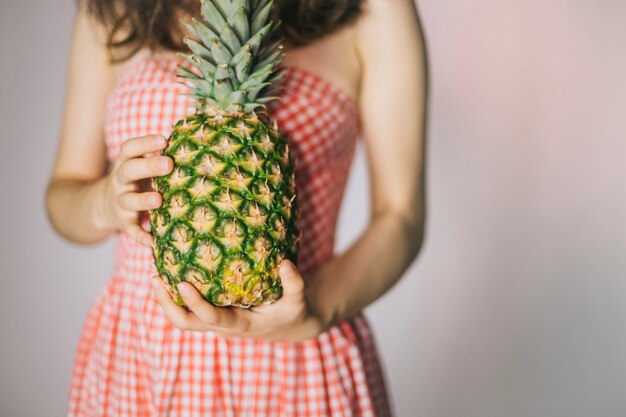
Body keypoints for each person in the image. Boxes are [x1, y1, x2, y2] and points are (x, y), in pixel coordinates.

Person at [45, 0, 426, 415]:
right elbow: (63, 195)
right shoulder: (110, 7)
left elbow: (400, 215)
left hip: (299, 355)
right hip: (142, 351)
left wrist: (315, 310)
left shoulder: (377, 8)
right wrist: (103, 202)